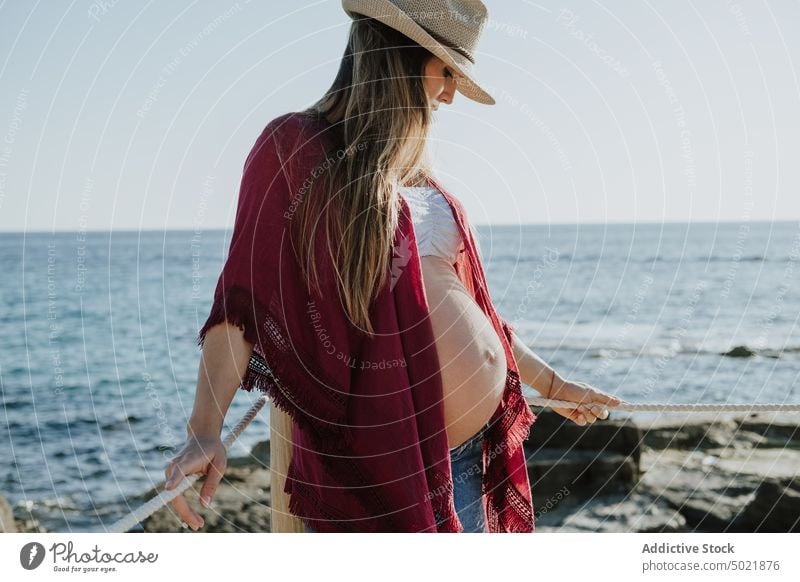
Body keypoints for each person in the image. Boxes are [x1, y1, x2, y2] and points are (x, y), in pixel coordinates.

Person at [163, 0, 621, 533]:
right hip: (380, 479)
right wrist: (204, 430)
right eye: (447, 71)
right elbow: (244, 299)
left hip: (469, 461)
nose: (450, 93)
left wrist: (554, 383)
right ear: (402, 53)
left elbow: (476, 313)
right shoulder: (294, 149)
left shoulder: (419, 177)